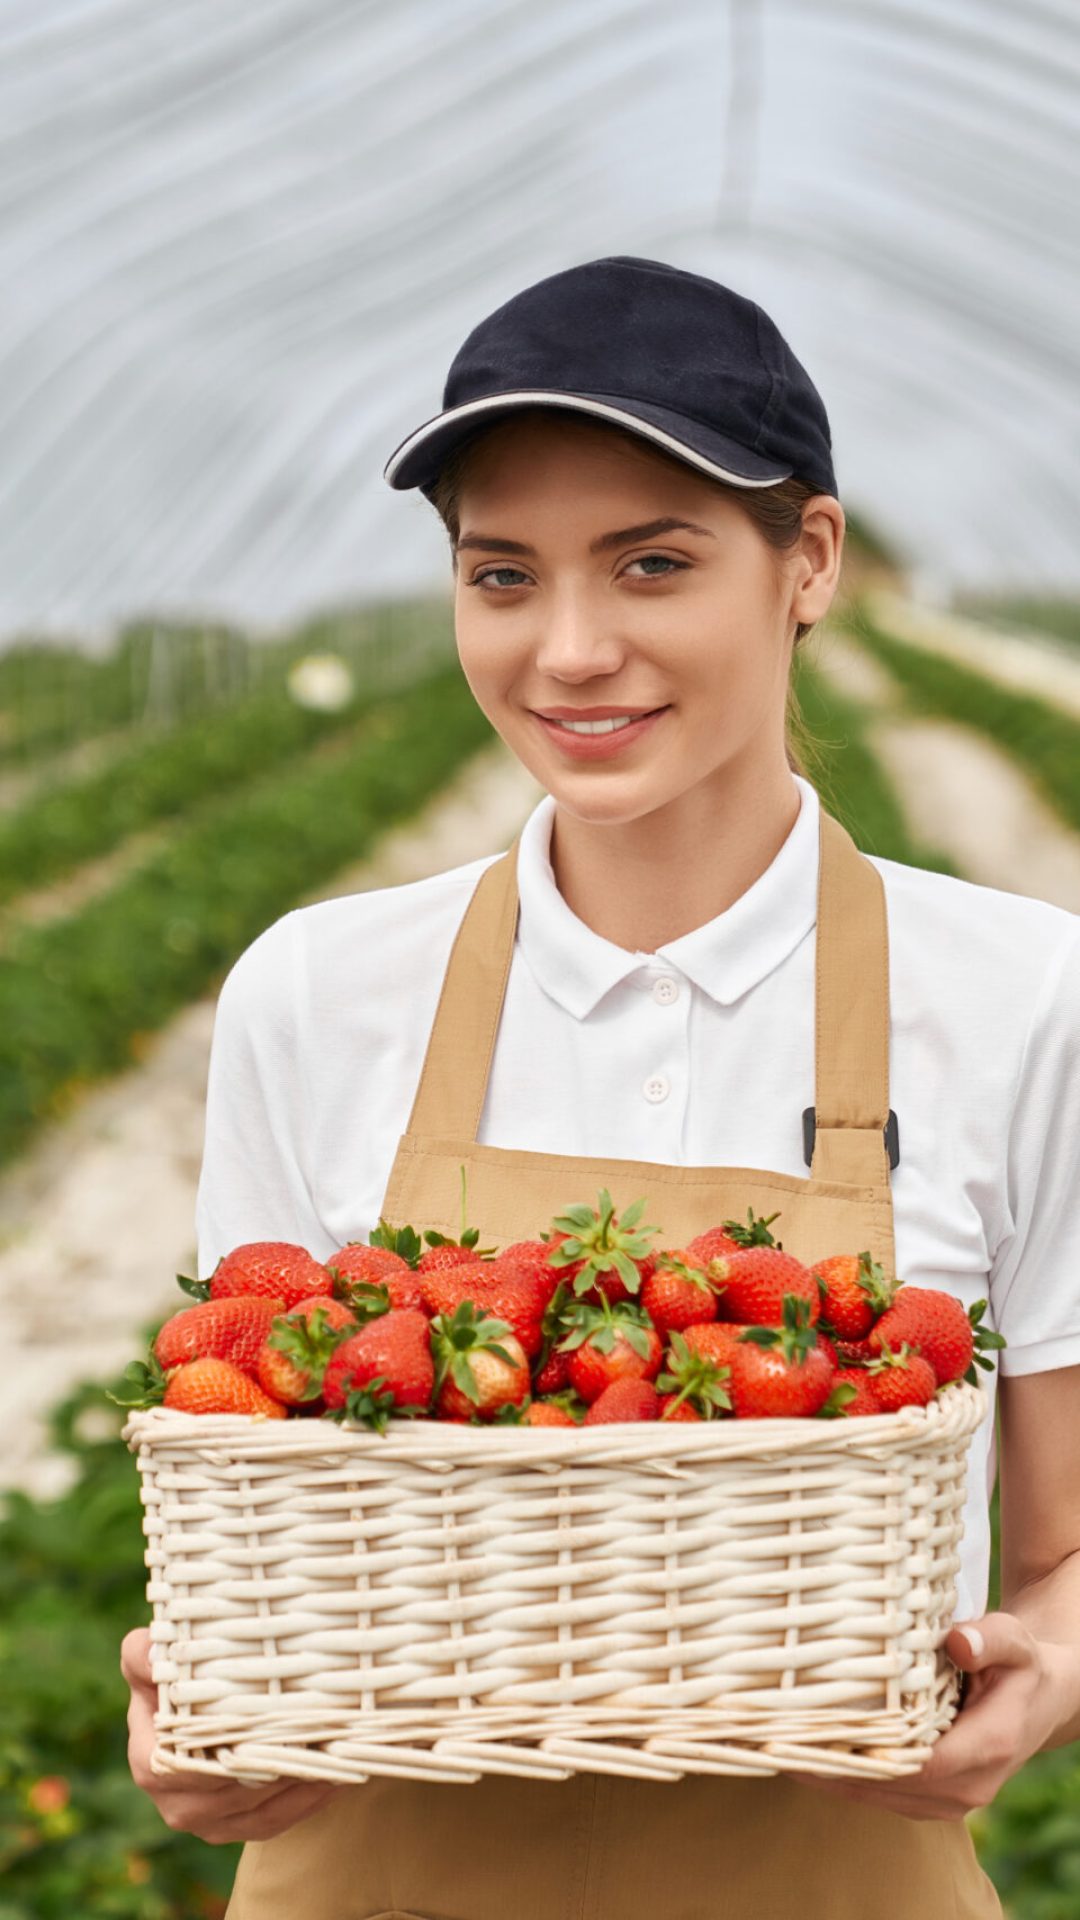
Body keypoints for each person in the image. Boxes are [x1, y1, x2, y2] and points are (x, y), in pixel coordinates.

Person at [121, 255, 1080, 1918]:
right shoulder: (318, 991)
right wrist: (199, 1714)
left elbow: (1063, 1558)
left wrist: (1045, 1674)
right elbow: (263, 1494)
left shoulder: (1022, 1000)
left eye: (652, 563)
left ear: (812, 563)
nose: (570, 651)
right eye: (503, 574)